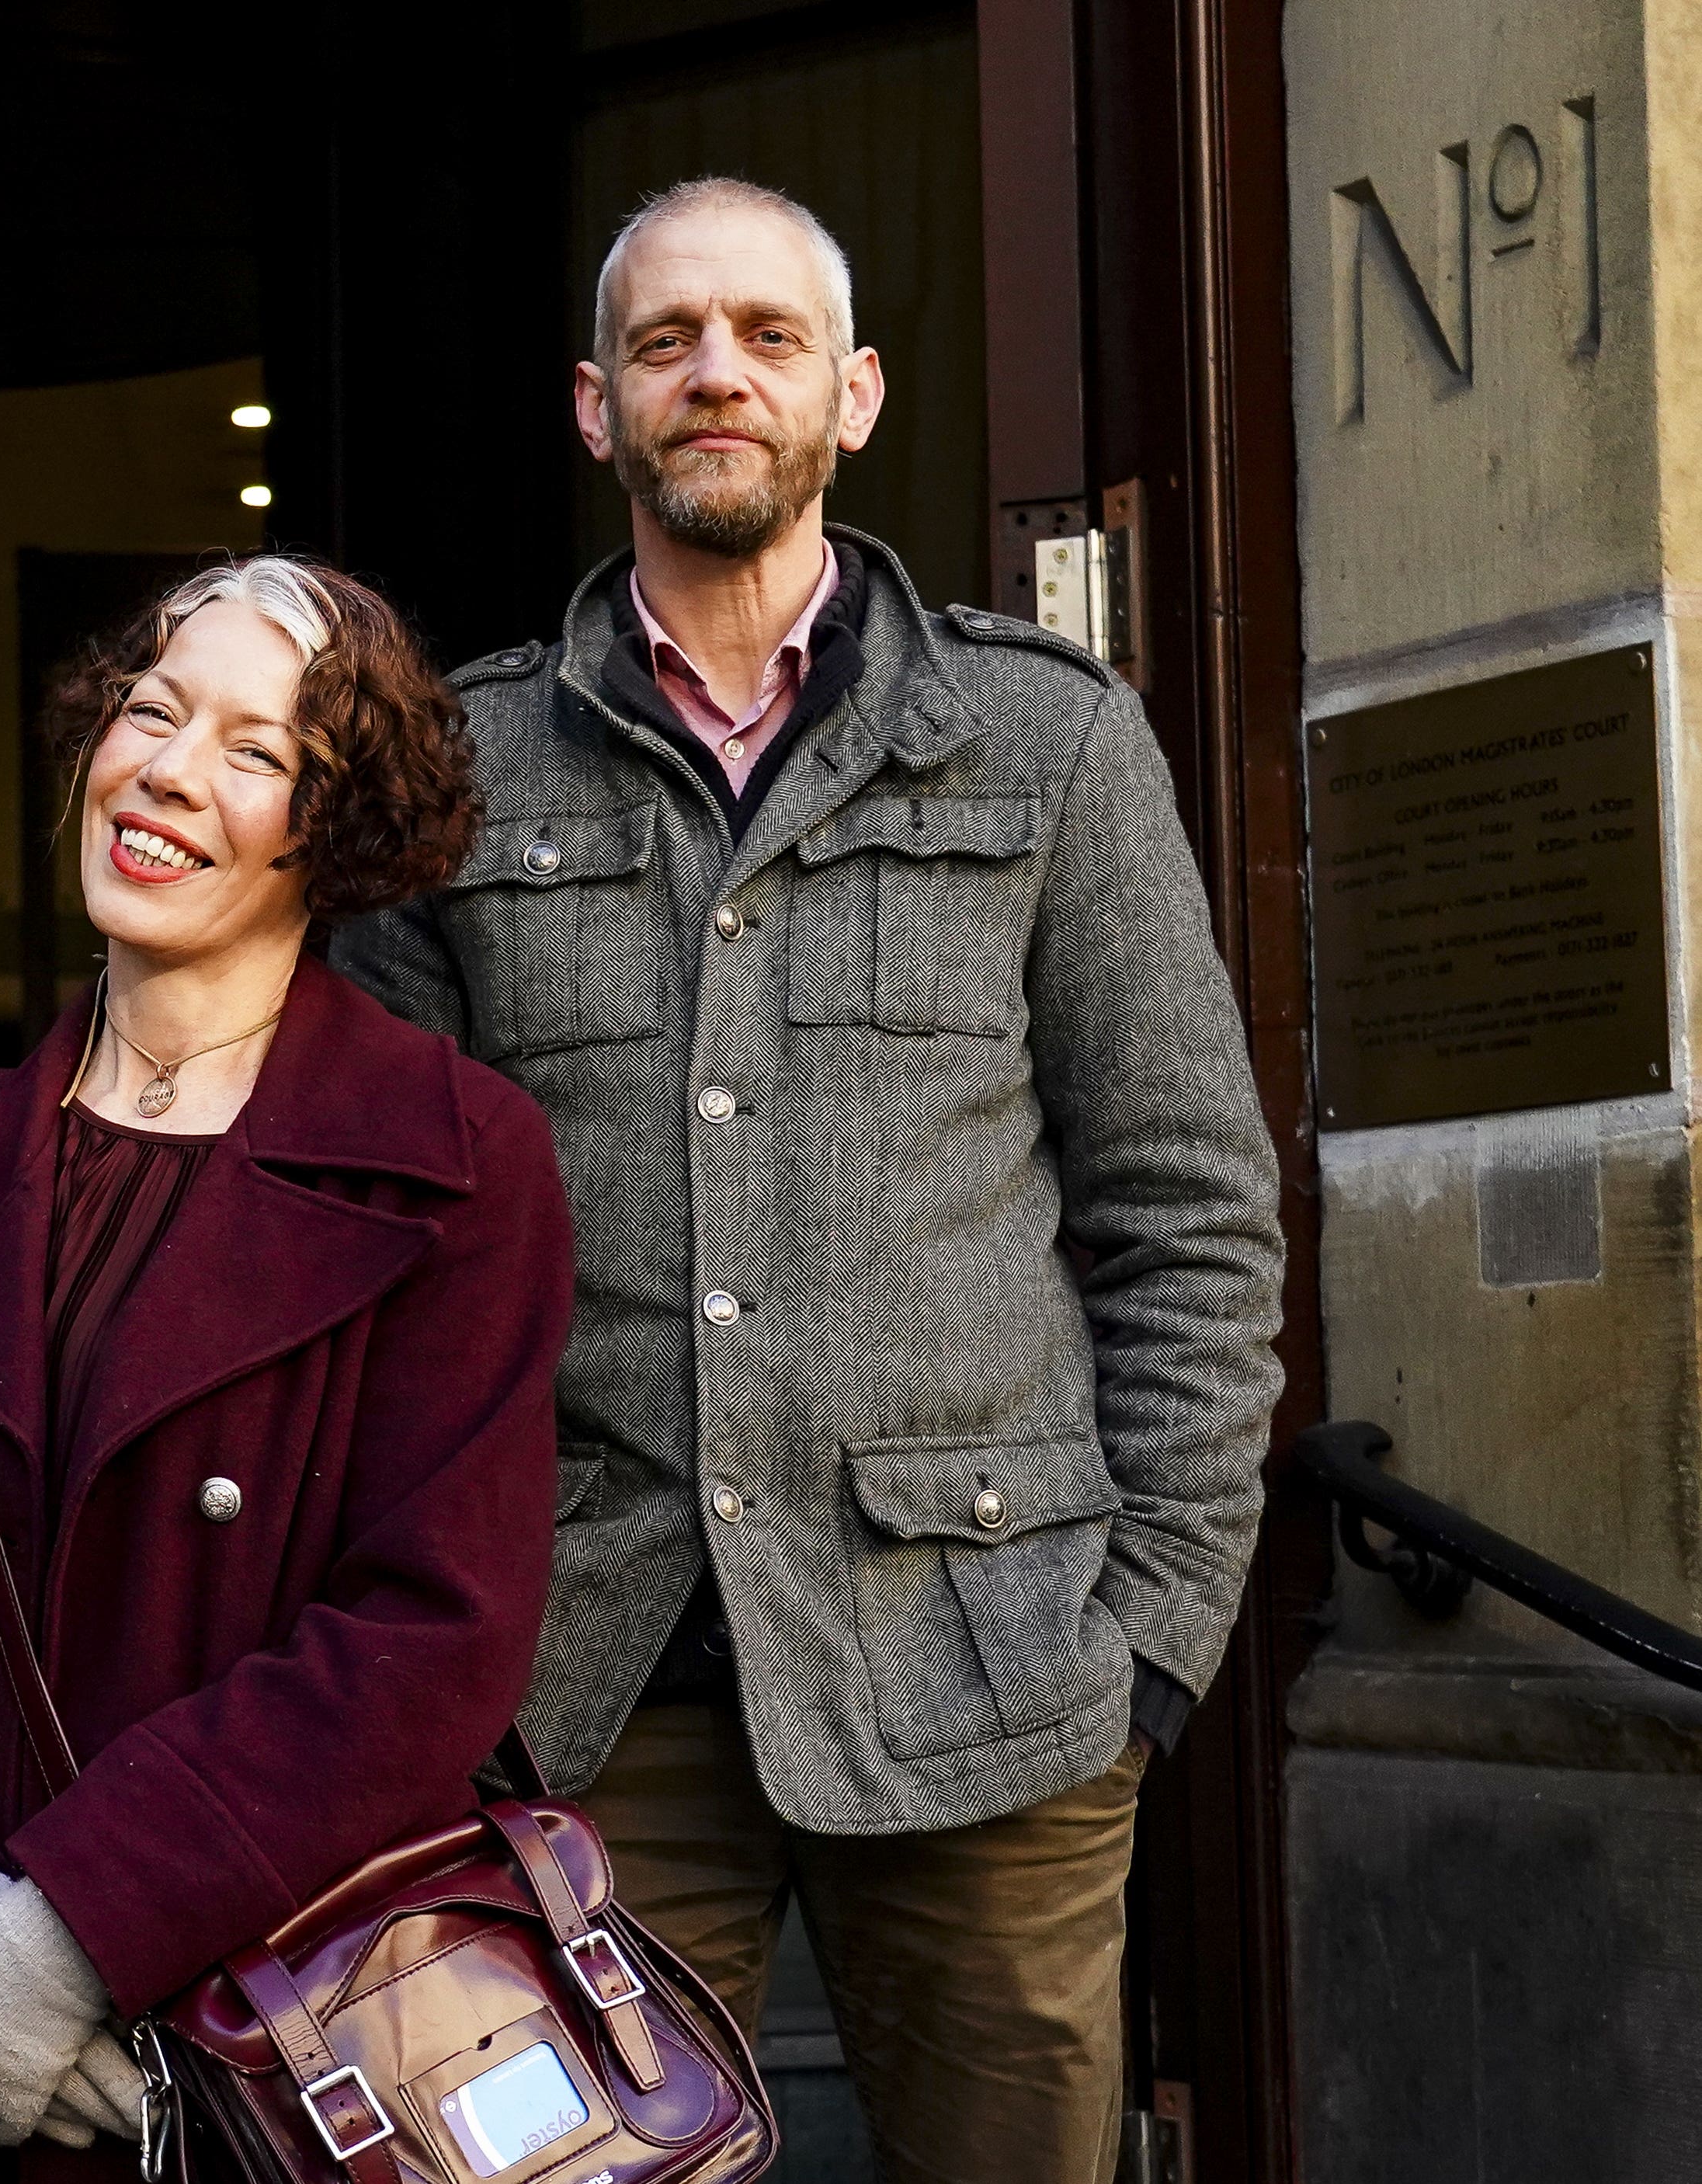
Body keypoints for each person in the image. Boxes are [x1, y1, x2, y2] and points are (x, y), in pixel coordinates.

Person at [331, 178, 1286, 2184]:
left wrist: (1151, 1634)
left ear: (849, 396)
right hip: (585, 1696)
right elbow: (374, 1251)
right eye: (666, 342)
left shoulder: (1043, 746)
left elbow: (1185, 1205)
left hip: (997, 1672)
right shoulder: (465, 772)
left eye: (766, 338)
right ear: (595, 408)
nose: (716, 376)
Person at [0, 556, 575, 2179]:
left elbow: (429, 1635)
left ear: (343, 825)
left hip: (268, 2034)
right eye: (152, 709)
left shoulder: (461, 1160)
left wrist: (77, 1937)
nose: (170, 769)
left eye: (257, 751)